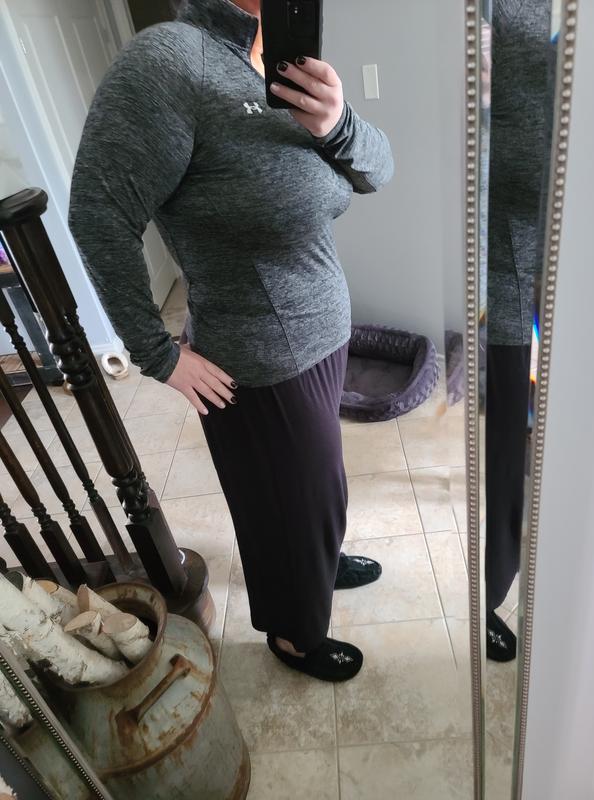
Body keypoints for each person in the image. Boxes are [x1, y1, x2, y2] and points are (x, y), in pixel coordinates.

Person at [69, 0, 394, 682]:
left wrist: (337, 124)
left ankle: (321, 561)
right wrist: (157, 355)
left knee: (317, 487)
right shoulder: (167, 62)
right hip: (258, 360)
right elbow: (98, 215)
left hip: (321, 336)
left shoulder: (276, 63)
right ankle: (295, 634)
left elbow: (377, 171)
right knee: (283, 504)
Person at [485, 0, 552, 661]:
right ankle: (490, 597)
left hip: (566, 269)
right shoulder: (496, 19)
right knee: (506, 449)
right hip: (509, 274)